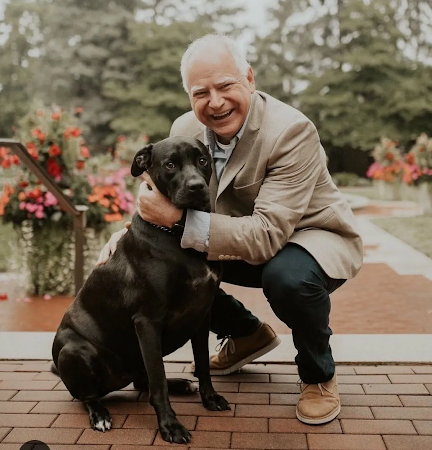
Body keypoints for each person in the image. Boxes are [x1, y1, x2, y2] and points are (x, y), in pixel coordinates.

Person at [98, 33, 363, 425]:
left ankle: (318, 374)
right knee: (165, 264)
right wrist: (127, 236)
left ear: (250, 80)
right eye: (201, 91)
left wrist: (176, 221)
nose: (215, 102)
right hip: (231, 233)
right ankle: (246, 333)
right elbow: (166, 202)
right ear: (189, 95)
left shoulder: (291, 131)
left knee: (287, 278)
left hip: (307, 237)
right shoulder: (185, 128)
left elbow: (266, 235)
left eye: (225, 86)